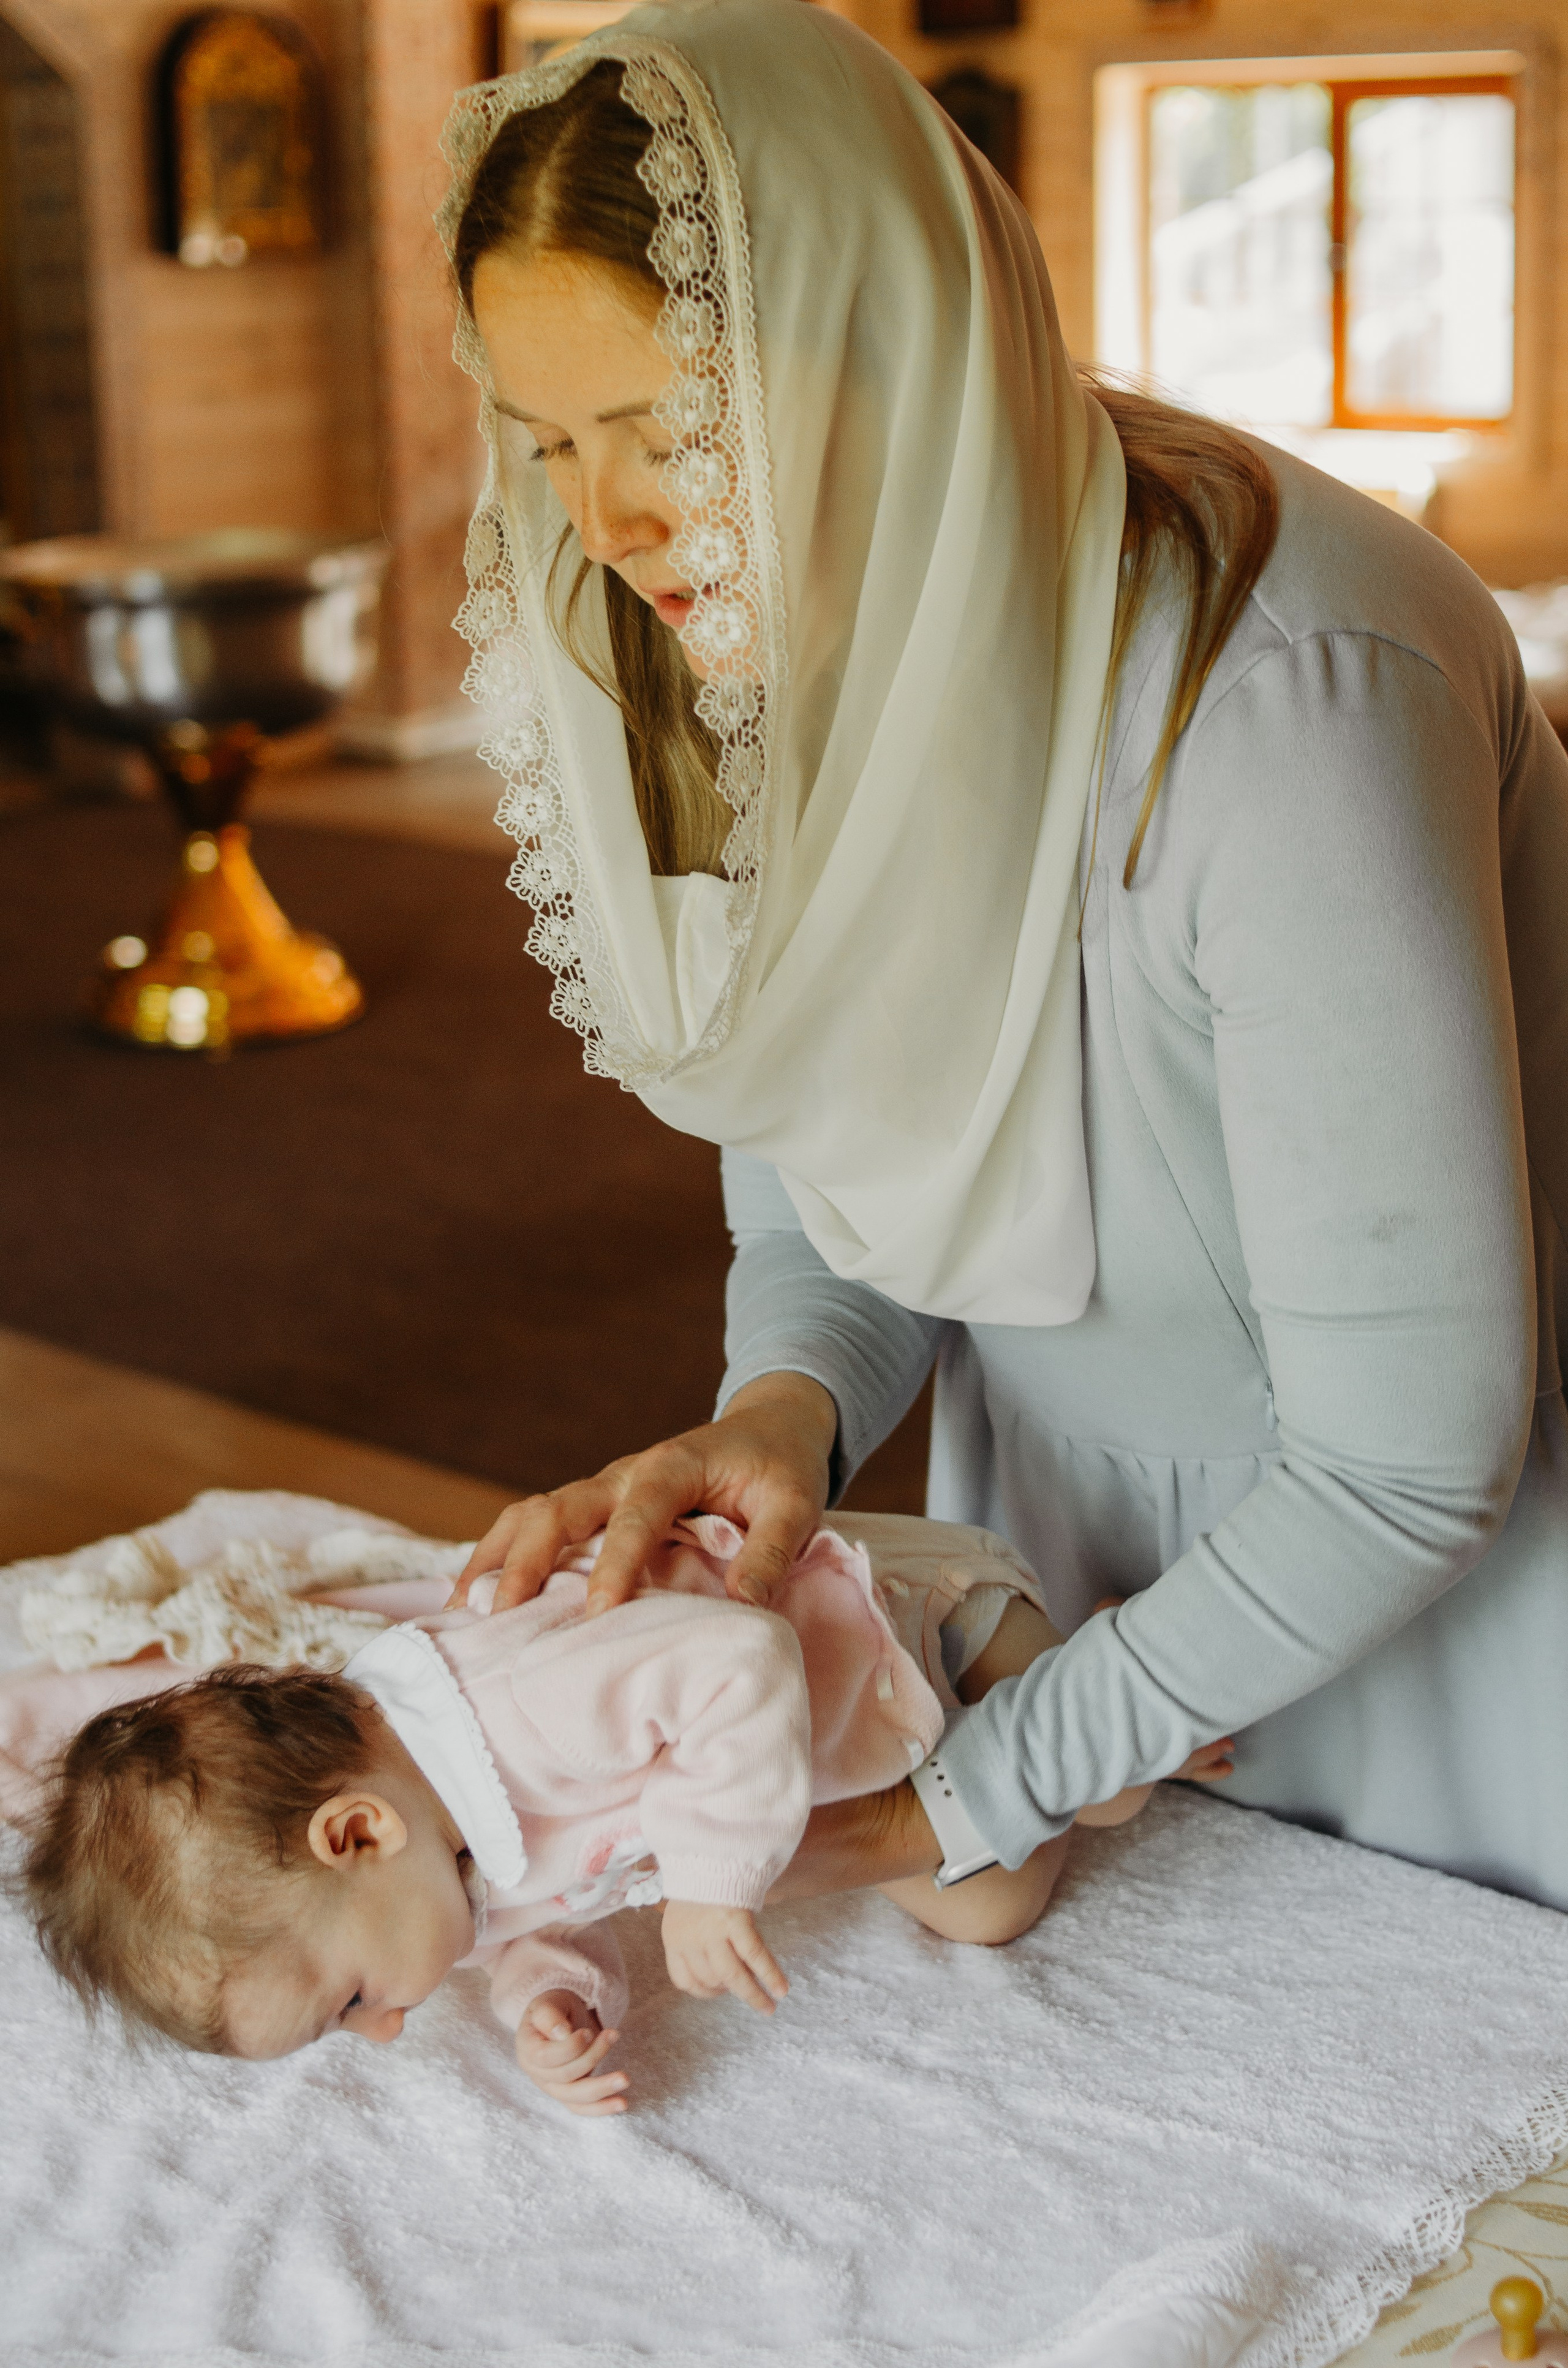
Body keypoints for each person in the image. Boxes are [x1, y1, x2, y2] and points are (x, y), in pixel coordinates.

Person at [438, 1, 1568, 1908]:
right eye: (547, 442)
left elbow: (1408, 1464)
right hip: (1059, 1577)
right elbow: (830, 1187)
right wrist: (780, 1409)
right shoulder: (744, 637)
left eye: (665, 430)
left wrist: (956, 1805)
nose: (608, 521)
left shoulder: (1288, 694)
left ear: (886, 348)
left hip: (1454, 1616)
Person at [17, 1512, 1232, 2113]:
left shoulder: (519, 1707)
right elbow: (552, 1898)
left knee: (1082, 1807)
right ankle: (1068, 1726)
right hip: (842, 1751)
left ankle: (1108, 1671)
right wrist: (551, 1995)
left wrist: (710, 1875)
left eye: (350, 2002)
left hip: (908, 1629)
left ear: (352, 1831)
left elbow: (740, 1655)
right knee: (979, 1900)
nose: (386, 2029)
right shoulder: (419, 1852)